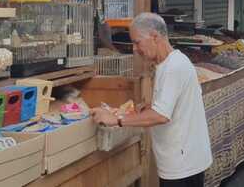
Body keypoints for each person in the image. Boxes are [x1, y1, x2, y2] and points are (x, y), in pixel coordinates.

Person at [90, 13, 212, 187]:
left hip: (182, 163)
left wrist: (116, 119)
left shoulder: (173, 67)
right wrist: (150, 106)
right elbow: (179, 103)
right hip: (187, 159)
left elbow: (160, 116)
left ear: (155, 37)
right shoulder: (171, 63)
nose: (134, 48)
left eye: (137, 42)